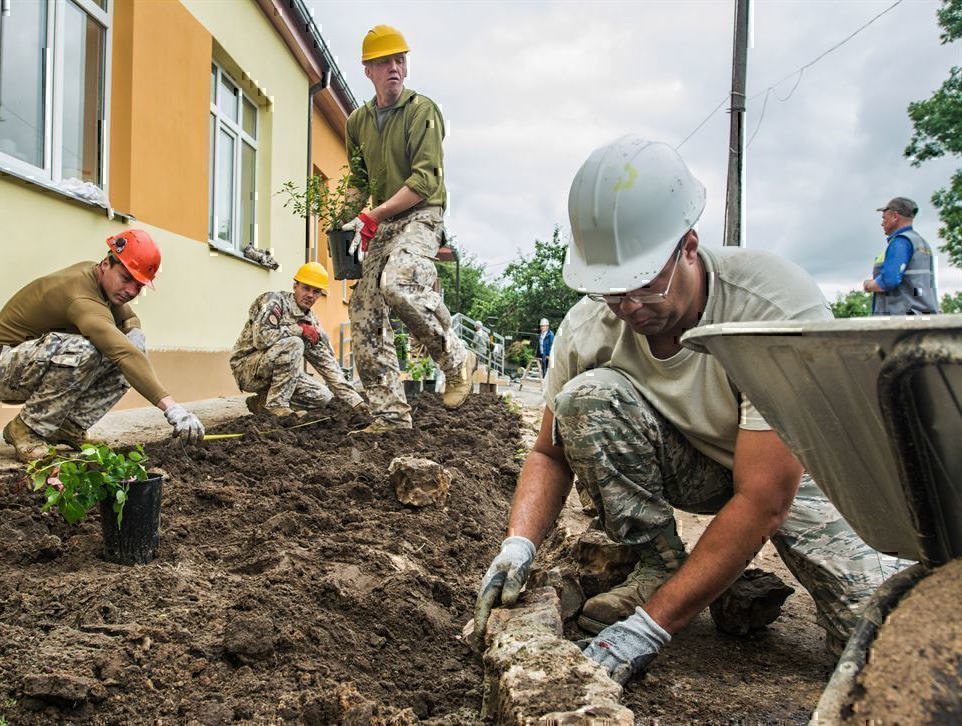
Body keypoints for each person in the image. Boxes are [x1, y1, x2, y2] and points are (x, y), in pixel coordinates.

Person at [473, 136, 906, 686]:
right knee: (586, 400)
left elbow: (765, 498)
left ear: (689, 246)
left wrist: (649, 629)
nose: (629, 307)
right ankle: (664, 565)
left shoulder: (769, 308)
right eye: (613, 291)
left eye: (645, 284)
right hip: (694, 464)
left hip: (802, 474)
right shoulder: (588, 327)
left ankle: (724, 586)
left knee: (882, 643)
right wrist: (519, 543)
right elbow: (548, 452)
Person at [342, 24, 476, 434]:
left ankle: (455, 357)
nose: (394, 68)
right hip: (384, 218)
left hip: (421, 214)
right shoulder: (357, 122)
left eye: (400, 60)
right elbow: (359, 182)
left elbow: (423, 183)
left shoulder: (423, 112)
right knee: (363, 308)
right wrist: (341, 219)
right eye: (385, 62)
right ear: (368, 70)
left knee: (397, 281)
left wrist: (374, 216)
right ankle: (390, 415)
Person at [0, 230, 205, 462]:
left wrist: (135, 336)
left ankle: (68, 426)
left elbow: (130, 323)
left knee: (132, 344)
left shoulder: (100, 281)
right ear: (107, 263)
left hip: (30, 362)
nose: (131, 291)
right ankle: (26, 428)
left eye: (138, 286)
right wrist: (172, 408)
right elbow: (123, 353)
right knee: (88, 350)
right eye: (126, 278)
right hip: (2, 370)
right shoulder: (81, 297)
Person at [230, 262, 369, 419]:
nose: (310, 295)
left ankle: (261, 402)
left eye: (316, 291)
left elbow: (327, 364)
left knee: (323, 396)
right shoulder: (273, 302)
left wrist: (356, 401)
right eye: (306, 288)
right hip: (247, 369)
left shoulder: (311, 323)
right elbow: (261, 339)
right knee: (295, 343)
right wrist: (299, 330)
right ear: (295, 285)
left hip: (280, 375)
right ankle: (276, 406)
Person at [863, 197, 939, 315]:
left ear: (895, 216)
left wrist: (868, 285)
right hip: (923, 317)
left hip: (902, 319)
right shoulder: (920, 243)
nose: (882, 222)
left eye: (884, 218)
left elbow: (888, 280)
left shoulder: (900, 242)